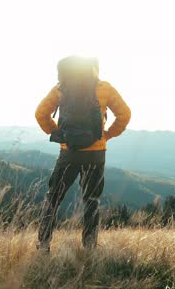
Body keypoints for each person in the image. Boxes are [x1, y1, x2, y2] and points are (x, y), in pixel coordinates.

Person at [35, 56, 131, 251]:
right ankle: (89, 247)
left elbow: (40, 114)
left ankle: (43, 244)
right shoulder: (104, 88)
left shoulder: (61, 88)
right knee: (91, 201)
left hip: (69, 152)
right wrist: (107, 135)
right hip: (95, 153)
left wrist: (58, 134)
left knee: (53, 198)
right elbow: (125, 114)